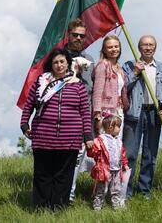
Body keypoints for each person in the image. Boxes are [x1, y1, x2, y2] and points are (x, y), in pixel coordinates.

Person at [20, 48, 94, 210]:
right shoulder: (41, 82)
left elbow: (84, 112)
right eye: (55, 62)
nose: (59, 65)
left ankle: (58, 209)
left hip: (70, 139)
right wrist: (24, 125)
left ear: (68, 63)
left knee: (64, 176)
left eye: (62, 61)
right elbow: (29, 105)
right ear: (50, 65)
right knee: (43, 174)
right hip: (42, 137)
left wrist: (88, 136)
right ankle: (40, 209)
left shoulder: (78, 85)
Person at [122, 35, 162, 199]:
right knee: (130, 154)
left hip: (154, 113)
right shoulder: (129, 66)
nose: (148, 47)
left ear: (155, 48)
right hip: (135, 114)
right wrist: (135, 73)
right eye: (144, 45)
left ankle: (145, 190)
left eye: (151, 44)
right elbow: (123, 88)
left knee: (150, 154)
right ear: (139, 48)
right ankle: (126, 191)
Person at [63, 18, 95, 203]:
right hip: (64, 113)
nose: (78, 38)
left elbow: (91, 86)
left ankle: (70, 196)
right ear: (68, 35)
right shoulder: (59, 57)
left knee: (77, 157)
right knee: (62, 156)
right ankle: (57, 192)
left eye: (81, 36)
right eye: (75, 35)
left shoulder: (89, 59)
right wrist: (72, 72)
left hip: (83, 114)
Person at [88, 115, 129, 210]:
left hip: (117, 170)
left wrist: (125, 164)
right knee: (101, 190)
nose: (119, 128)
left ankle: (117, 205)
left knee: (116, 189)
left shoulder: (118, 141)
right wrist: (91, 148)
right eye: (118, 126)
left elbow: (122, 154)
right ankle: (97, 206)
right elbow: (93, 153)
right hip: (104, 170)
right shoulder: (101, 140)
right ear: (110, 128)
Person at [92, 35, 127, 133]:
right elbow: (97, 92)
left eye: (116, 46)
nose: (114, 49)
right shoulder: (102, 66)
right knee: (105, 143)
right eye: (110, 47)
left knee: (116, 144)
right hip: (106, 111)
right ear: (104, 50)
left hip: (118, 111)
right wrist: (97, 115)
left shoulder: (120, 69)